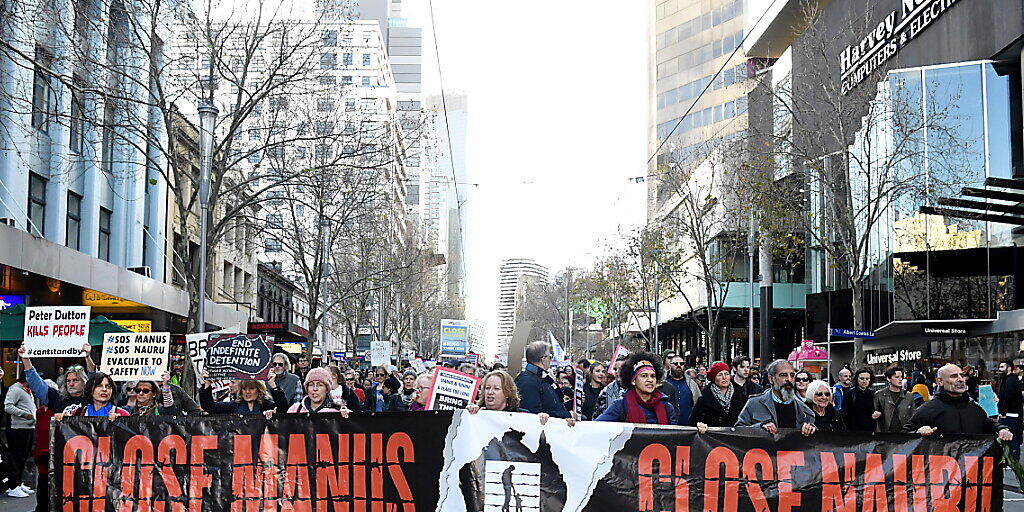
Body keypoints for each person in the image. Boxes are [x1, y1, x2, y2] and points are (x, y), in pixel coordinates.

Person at [19, 344, 93, 512]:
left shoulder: (92, 400)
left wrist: (87, 357)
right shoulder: (57, 399)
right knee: (47, 498)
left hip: (84, 460)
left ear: (85, 382)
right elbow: (37, 384)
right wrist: (25, 359)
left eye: (76, 380)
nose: (71, 384)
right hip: (57, 459)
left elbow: (95, 376)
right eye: (68, 381)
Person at [905, 364, 1012, 441]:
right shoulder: (928, 409)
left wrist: (1001, 429)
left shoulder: (974, 407)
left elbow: (987, 423)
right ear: (940, 381)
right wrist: (918, 433)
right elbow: (903, 437)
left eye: (962, 375)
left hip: (972, 469)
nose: (960, 379)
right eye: (954, 376)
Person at [735, 359, 816, 436]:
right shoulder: (754, 403)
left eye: (792, 375)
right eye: (783, 375)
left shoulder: (805, 410)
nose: (789, 379)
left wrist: (811, 429)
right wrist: (759, 427)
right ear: (771, 379)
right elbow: (737, 431)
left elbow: (816, 444)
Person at [597, 352, 676, 425]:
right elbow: (598, 426)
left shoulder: (667, 407)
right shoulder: (620, 406)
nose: (650, 380)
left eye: (653, 376)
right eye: (644, 376)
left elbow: (674, 435)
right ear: (633, 381)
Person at [514, 342, 570, 418]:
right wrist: (567, 415)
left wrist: (573, 403)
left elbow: (554, 405)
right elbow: (533, 415)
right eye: (550, 357)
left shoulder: (542, 378)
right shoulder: (527, 382)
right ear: (543, 359)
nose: (551, 360)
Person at [199, 370, 286, 418]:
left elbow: (282, 408)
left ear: (259, 390)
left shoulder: (266, 405)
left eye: (251, 388)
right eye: (244, 389)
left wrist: (273, 385)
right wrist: (207, 385)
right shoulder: (234, 405)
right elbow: (209, 407)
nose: (247, 392)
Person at [4, 373, 35, 498]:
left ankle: (18, 482)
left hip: (27, 427)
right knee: (17, 457)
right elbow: (8, 406)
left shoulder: (25, 390)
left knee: (23, 457)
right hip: (19, 428)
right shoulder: (15, 389)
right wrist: (24, 414)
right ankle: (13, 486)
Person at [690, 361, 745, 430]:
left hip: (735, 437)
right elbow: (693, 421)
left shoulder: (740, 394)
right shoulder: (704, 397)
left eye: (726, 374)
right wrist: (700, 425)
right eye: (720, 375)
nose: (724, 377)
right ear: (714, 378)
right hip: (713, 438)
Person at [66, 373, 131, 418]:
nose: (104, 389)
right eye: (99, 386)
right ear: (90, 389)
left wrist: (121, 423)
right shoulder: (78, 413)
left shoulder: (123, 414)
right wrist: (62, 420)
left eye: (108, 386)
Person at [872, 367, 916, 433]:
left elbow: (913, 416)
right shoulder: (879, 395)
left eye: (901, 377)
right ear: (888, 379)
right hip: (885, 434)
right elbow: (874, 415)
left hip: (904, 433)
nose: (900, 379)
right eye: (897, 377)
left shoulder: (909, 396)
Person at [666, 354, 702, 426]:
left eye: (681, 364)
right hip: (668, 427)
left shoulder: (692, 384)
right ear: (670, 366)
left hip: (688, 428)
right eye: (675, 364)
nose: (679, 365)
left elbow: (699, 404)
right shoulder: (663, 383)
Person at [998, 360, 1023, 459]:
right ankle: (1011, 459)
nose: (999, 369)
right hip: (1010, 413)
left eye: (1002, 367)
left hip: (1010, 414)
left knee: (1012, 438)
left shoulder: (1010, 380)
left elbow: (1008, 396)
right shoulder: (1009, 379)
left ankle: (1013, 459)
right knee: (1011, 437)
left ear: (1009, 368)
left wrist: (1003, 412)